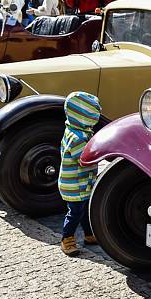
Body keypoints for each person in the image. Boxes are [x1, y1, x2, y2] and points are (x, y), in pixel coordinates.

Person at [58, 91, 101, 256]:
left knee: (84, 210)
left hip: (83, 183)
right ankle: (66, 239)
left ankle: (89, 235)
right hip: (75, 184)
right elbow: (84, 159)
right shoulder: (76, 137)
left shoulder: (77, 130)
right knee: (75, 212)